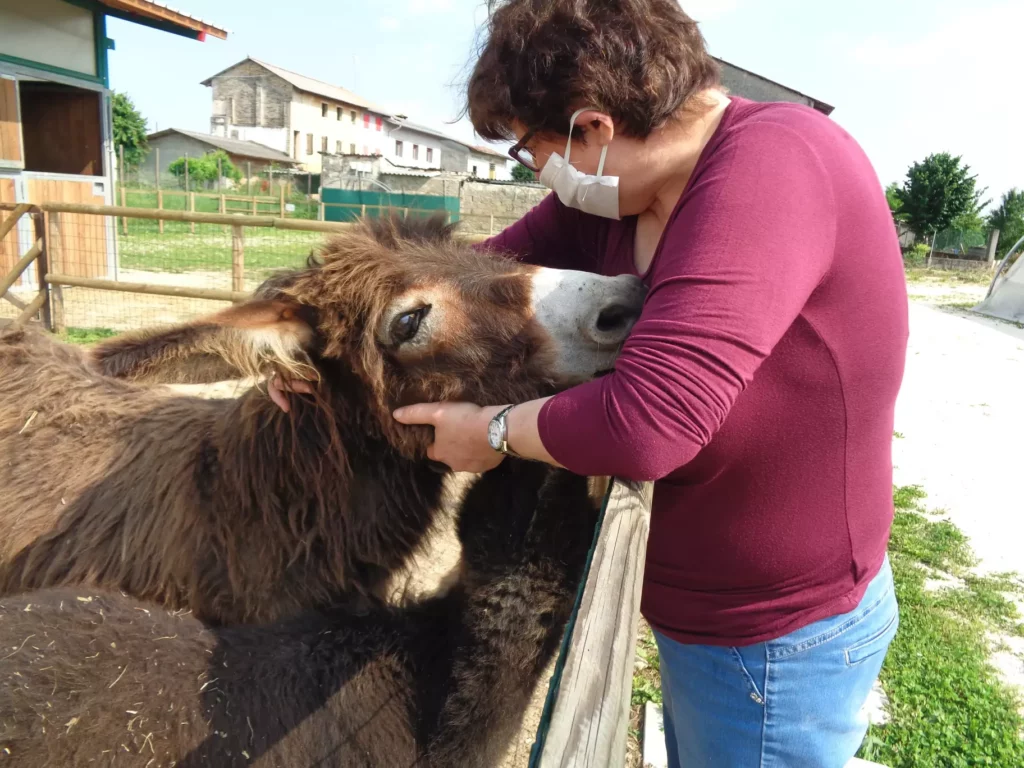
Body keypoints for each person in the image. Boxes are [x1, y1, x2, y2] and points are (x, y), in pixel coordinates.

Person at [271, 1, 909, 765]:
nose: (535, 171)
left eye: (527, 150)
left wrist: (495, 432)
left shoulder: (773, 168)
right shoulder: (621, 198)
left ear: (592, 130)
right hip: (702, 615)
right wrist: (327, 350)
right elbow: (466, 280)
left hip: (773, 636)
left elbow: (650, 425)